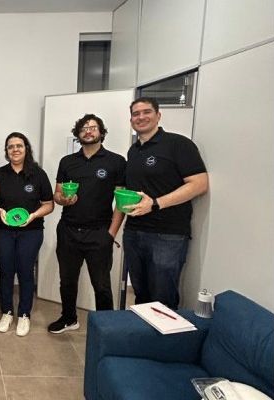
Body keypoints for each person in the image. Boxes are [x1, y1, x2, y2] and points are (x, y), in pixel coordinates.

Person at [124, 97, 209, 309]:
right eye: (136, 114)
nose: (141, 117)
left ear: (158, 115)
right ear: (131, 119)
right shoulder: (133, 151)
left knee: (163, 299)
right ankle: (142, 330)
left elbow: (199, 184)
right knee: (141, 295)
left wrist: (155, 203)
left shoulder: (178, 144)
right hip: (134, 231)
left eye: (147, 112)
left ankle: (164, 332)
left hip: (167, 234)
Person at [48, 114, 127, 334]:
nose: (88, 131)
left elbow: (121, 202)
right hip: (68, 230)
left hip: (99, 233)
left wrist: (111, 234)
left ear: (101, 132)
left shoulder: (116, 161)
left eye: (93, 127)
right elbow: (57, 194)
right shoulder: (67, 162)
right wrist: (63, 200)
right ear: (78, 134)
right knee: (67, 281)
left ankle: (106, 327)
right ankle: (69, 318)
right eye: (83, 128)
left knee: (101, 285)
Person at [0, 132, 54, 337]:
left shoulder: (38, 174)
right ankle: (7, 312)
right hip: (3, 231)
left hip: (31, 231)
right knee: (6, 271)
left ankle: (24, 314)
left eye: (19, 145)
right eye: (11, 146)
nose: (15, 149)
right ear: (6, 151)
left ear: (26, 148)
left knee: (26, 271)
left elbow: (49, 204)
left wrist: (34, 215)